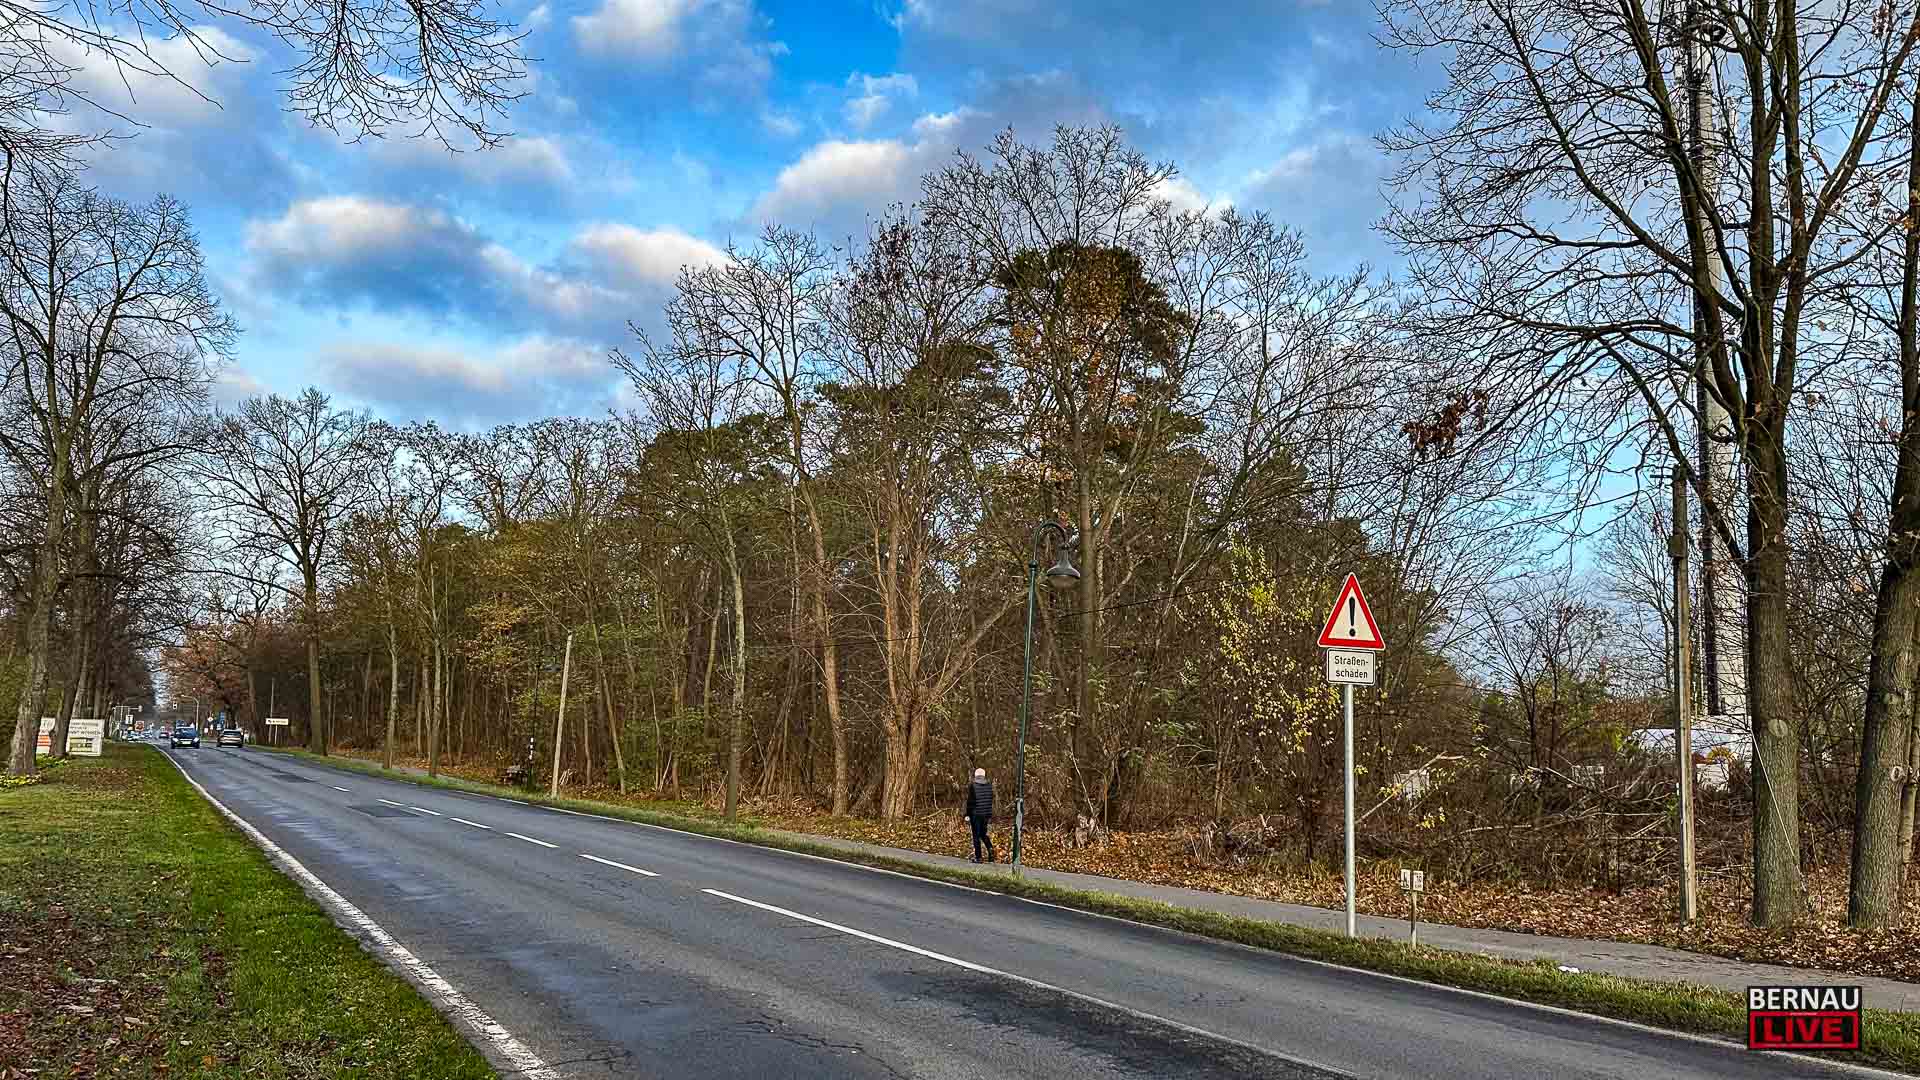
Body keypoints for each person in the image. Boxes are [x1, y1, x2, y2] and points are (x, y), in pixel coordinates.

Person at [964, 768, 995, 863]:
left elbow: (970, 802)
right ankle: (990, 851)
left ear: (976, 775)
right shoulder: (989, 785)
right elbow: (990, 800)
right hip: (986, 814)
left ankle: (979, 858)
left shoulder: (973, 786)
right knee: (983, 834)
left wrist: (967, 814)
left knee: (976, 836)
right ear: (984, 775)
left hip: (976, 814)